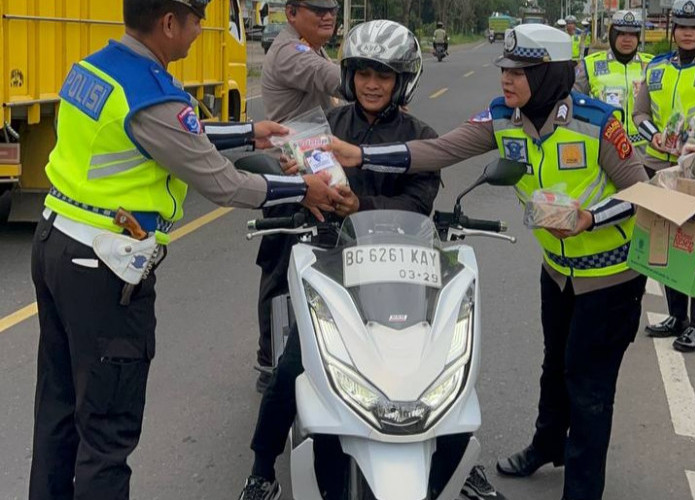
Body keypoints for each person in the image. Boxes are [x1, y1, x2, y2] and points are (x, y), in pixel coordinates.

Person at [27, 1, 342, 499]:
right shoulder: (151, 93)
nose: (200, 31)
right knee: (107, 433)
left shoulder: (96, 69)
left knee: (59, 412)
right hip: (103, 268)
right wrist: (302, 189)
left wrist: (247, 131)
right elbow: (221, 184)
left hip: (55, 244)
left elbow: (167, 136)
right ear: (169, 22)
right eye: (196, 20)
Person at [327, 23, 648, 500]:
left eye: (522, 71)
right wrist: (362, 154)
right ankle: (546, 445)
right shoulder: (503, 119)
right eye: (506, 69)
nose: (507, 79)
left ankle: (582, 491)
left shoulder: (599, 122)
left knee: (589, 388)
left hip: (610, 278)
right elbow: (437, 150)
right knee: (554, 366)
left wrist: (589, 217)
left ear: (551, 75)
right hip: (558, 272)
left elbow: (642, 194)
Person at [237, 20, 504, 500]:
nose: (372, 84)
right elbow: (295, 189)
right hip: (332, 268)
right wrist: (297, 184)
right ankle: (261, 469)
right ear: (349, 76)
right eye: (362, 73)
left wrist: (362, 207)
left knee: (442, 365)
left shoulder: (420, 138)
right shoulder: (325, 128)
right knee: (295, 365)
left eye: (384, 74)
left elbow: (419, 203)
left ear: (403, 79)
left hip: (403, 269)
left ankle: (460, 462)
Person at [255, 0, 342, 392]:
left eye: (333, 8)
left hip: (314, 170)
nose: (328, 15)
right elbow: (332, 80)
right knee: (279, 268)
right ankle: (268, 358)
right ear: (291, 14)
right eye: (317, 8)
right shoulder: (293, 52)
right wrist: (379, 76)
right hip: (287, 177)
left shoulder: (314, 47)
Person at [633, 0, 695, 352]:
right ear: (674, 30)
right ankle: (678, 316)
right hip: (660, 167)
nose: (688, 32)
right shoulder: (657, 67)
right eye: (683, 25)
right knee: (669, 246)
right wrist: (654, 136)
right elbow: (639, 112)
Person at [574, 10, 653, 151]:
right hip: (605, 147)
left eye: (632, 34)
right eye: (621, 34)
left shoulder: (652, 65)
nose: (627, 39)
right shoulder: (590, 64)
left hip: (645, 149)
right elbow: (574, 101)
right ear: (612, 35)